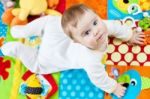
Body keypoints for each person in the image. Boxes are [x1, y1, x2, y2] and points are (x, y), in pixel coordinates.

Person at [1, 4, 144, 98]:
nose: (95, 32)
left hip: (55, 30)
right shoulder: (91, 59)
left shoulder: (103, 26)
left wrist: (129, 35)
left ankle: (20, 31)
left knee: (50, 21)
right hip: (52, 54)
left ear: (96, 17)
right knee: (38, 66)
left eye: (95, 22)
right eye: (86, 33)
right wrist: (113, 87)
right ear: (76, 42)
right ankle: (17, 48)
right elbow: (99, 78)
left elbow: (115, 27)